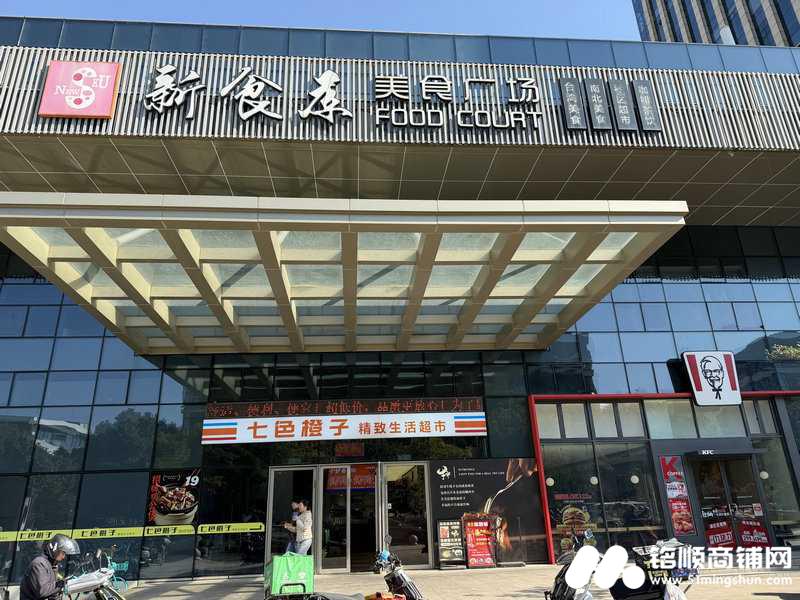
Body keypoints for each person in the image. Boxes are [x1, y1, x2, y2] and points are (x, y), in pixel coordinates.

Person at [20, 534, 80, 600]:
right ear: (55, 550)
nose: (63, 557)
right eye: (63, 553)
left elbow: (52, 593)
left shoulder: (52, 565)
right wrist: (62, 584)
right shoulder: (39, 564)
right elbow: (43, 591)